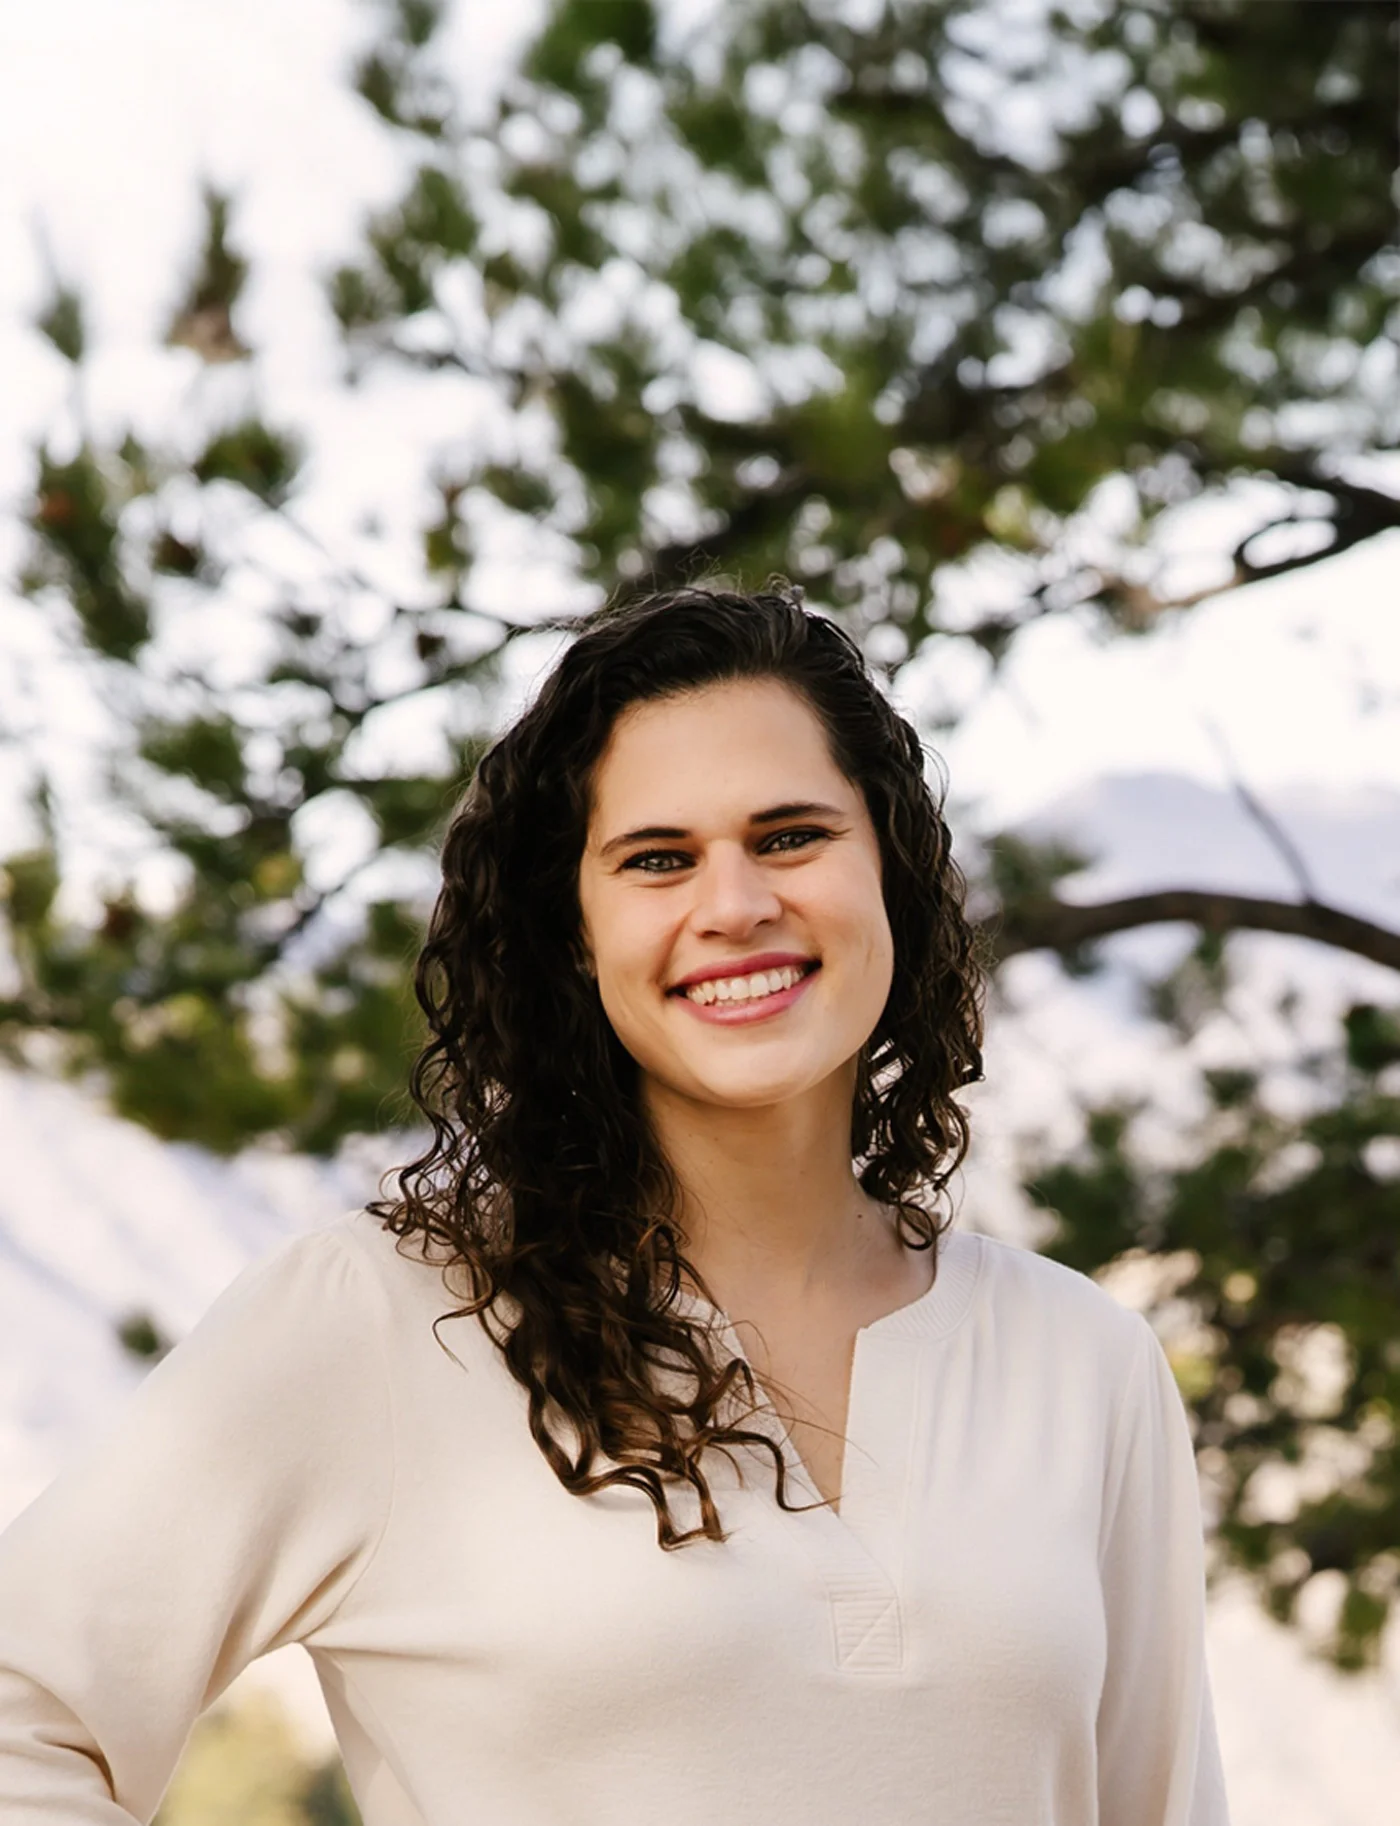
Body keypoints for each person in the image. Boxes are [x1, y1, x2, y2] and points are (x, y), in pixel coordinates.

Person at [0, 584, 1230, 1824]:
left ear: (892, 874)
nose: (734, 903)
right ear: (577, 933)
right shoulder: (383, 1322)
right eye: (656, 859)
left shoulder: (1085, 1365)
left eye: (791, 834)